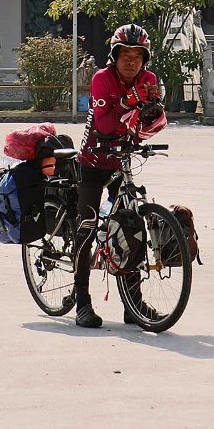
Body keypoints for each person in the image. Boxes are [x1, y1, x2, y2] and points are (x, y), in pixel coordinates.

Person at [73, 23, 165, 328]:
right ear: (114, 55)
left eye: (137, 55)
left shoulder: (148, 79)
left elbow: (151, 122)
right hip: (94, 158)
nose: (131, 60)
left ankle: (133, 305)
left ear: (144, 59)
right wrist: (128, 100)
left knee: (132, 227)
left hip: (122, 160)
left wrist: (152, 109)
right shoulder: (102, 79)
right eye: (125, 54)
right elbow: (105, 125)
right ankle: (82, 302)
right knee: (86, 228)